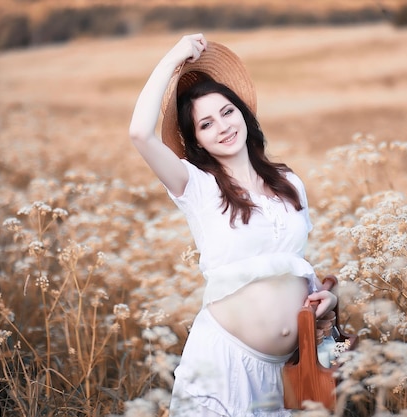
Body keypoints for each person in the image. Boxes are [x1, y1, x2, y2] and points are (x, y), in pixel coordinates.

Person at [129, 33, 337, 417]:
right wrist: (174, 56)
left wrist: (325, 301)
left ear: (243, 112)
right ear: (198, 142)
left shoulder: (289, 182)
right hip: (223, 364)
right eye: (206, 124)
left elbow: (292, 264)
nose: (222, 127)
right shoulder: (196, 185)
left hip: (286, 371)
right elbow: (139, 133)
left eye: (227, 112)